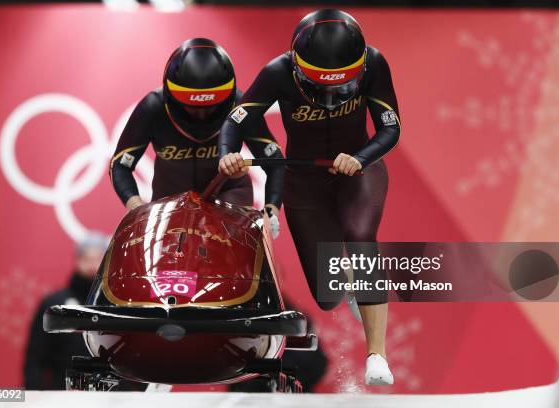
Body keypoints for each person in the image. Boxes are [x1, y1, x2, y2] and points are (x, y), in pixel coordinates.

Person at [218, 9, 400, 385]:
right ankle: (345, 280)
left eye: (343, 87)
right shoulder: (276, 72)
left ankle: (377, 355)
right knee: (328, 295)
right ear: (299, 70)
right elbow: (235, 120)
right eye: (322, 88)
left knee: (360, 236)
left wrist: (361, 158)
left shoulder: (376, 63)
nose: (332, 98)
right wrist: (227, 156)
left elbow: (390, 126)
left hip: (357, 169)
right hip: (305, 179)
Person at [110, 38, 284, 236]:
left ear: (227, 97)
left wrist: (271, 212)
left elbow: (275, 160)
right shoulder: (153, 108)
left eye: (211, 108)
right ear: (171, 97)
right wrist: (136, 206)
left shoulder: (239, 105)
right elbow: (120, 164)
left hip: (229, 195)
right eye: (192, 108)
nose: (202, 116)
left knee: (235, 251)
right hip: (169, 202)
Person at [23, 232, 109, 390]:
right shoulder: (54, 304)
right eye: (87, 259)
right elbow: (35, 356)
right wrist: (33, 394)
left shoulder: (117, 306)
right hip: (63, 392)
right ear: (77, 260)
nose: (92, 266)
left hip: (113, 394)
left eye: (98, 259)